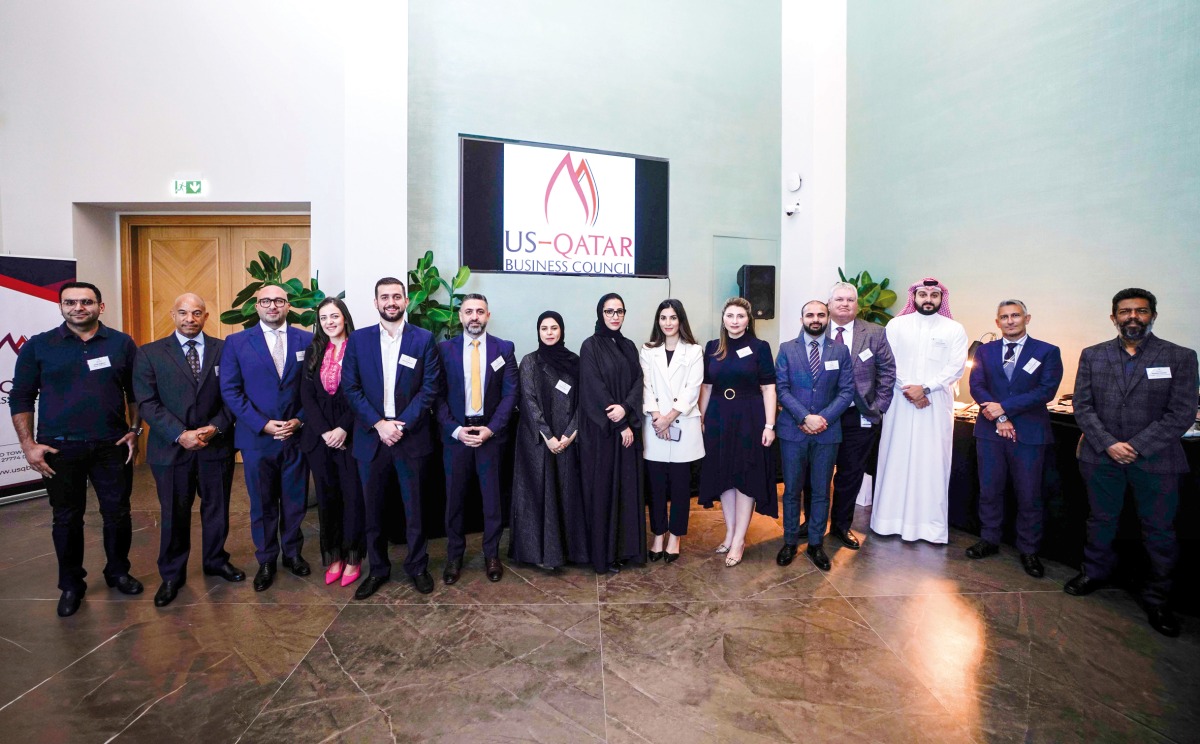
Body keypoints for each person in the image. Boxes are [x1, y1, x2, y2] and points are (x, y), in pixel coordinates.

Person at [1067, 288, 1198, 637]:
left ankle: (1158, 599)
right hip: (1100, 456)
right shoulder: (1092, 355)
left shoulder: (1180, 356)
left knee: (1159, 531)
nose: (1132, 317)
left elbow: (1182, 412)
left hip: (1157, 461)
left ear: (1153, 315)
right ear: (1113, 317)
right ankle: (1093, 573)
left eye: (1140, 311)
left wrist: (1136, 446)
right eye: (1125, 312)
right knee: (1101, 520)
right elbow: (1082, 405)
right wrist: (1109, 444)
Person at [10, 281, 144, 617]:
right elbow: (21, 398)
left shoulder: (121, 343)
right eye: (70, 302)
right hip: (59, 449)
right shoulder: (40, 346)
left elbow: (136, 393)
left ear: (101, 306)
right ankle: (71, 585)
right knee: (66, 518)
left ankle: (118, 572)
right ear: (61, 306)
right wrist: (28, 445)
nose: (78, 307)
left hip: (111, 446)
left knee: (117, 514)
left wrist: (134, 430)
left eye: (86, 301)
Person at [133, 293, 242, 608]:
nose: (189, 319)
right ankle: (171, 574)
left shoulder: (225, 350)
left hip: (215, 445)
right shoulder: (150, 353)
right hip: (171, 449)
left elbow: (233, 396)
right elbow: (147, 403)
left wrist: (214, 428)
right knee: (173, 512)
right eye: (183, 312)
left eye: (196, 313)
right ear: (172, 314)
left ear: (206, 316)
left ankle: (216, 560)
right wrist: (180, 434)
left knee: (216, 508)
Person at [342, 277, 443, 597]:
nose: (391, 302)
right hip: (371, 440)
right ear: (375, 303)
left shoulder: (424, 339)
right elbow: (351, 388)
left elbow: (430, 388)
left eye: (397, 296)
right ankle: (378, 569)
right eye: (384, 297)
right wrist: (379, 424)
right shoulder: (358, 341)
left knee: (415, 509)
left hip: (410, 439)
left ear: (406, 301)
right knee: (373, 510)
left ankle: (417, 566)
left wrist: (401, 425)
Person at [220, 283, 313, 592]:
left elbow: (312, 389)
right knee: (262, 502)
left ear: (288, 306)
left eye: (279, 301)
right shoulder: (235, 343)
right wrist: (262, 424)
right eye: (266, 301)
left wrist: (299, 419)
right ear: (255, 306)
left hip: (296, 436)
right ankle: (266, 559)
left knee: (294, 500)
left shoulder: (308, 340)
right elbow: (231, 391)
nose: (273, 306)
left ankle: (292, 553)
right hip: (256, 438)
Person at [966, 300, 1063, 578]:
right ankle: (989, 539)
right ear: (997, 322)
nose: (1010, 321)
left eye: (1015, 315)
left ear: (1026, 318)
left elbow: (1046, 391)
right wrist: (999, 417)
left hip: (1029, 434)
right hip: (990, 432)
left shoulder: (1046, 351)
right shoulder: (984, 351)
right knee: (990, 490)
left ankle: (1029, 550)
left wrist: (1005, 408)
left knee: (1029, 494)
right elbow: (977, 386)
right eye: (1004, 317)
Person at [870, 278, 968, 544]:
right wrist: (910, 389)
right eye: (923, 294)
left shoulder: (954, 329)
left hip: (935, 404)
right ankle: (887, 521)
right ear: (913, 297)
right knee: (895, 458)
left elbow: (956, 367)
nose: (928, 299)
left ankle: (929, 528)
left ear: (941, 299)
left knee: (931, 462)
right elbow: (887, 362)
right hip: (900, 402)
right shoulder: (896, 325)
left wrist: (925, 388)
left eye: (934, 295)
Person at [800, 281, 896, 549]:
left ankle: (841, 526)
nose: (844, 304)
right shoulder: (815, 329)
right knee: (815, 474)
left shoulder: (875, 333)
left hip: (858, 417)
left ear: (858, 305)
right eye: (839, 299)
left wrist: (878, 407)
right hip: (821, 418)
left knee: (849, 474)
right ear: (829, 305)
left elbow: (888, 371)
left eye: (850, 300)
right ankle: (811, 523)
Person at [435, 293, 518, 584]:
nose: (474, 317)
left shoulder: (503, 349)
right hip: (456, 435)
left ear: (488, 315)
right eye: (468, 311)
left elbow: (510, 395)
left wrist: (491, 429)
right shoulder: (443, 350)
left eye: (479, 311)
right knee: (454, 500)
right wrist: (455, 430)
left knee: (492, 500)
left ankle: (491, 554)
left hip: (490, 436)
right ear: (460, 316)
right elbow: (437, 396)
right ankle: (455, 556)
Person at [775, 301, 855, 571]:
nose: (816, 319)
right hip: (793, 431)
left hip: (827, 432)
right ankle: (788, 542)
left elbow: (846, 391)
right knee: (791, 491)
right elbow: (782, 388)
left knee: (822, 491)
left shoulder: (840, 350)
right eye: (810, 314)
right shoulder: (787, 349)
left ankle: (816, 545)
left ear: (828, 318)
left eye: (821, 314)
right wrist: (804, 417)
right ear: (802, 319)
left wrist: (823, 418)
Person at [698, 297, 778, 568]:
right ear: (723, 318)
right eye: (730, 316)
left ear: (748, 320)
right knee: (725, 478)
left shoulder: (760, 347)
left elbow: (769, 388)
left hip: (749, 417)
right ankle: (730, 533)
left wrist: (769, 425)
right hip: (718, 417)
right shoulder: (711, 348)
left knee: (744, 477)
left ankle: (740, 539)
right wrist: (701, 420)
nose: (735, 321)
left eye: (740, 316)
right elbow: (706, 387)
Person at [508, 311, 588, 570]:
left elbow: (584, 401)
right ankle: (539, 554)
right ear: (538, 332)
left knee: (566, 495)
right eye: (544, 328)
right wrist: (549, 436)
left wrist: (569, 433)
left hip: (568, 441)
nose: (550, 332)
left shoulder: (576, 362)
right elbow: (528, 402)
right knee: (538, 496)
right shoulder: (530, 362)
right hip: (538, 443)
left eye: (554, 327)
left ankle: (566, 553)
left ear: (562, 330)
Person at [300, 298, 365, 588]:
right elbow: (307, 397)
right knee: (327, 500)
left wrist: (342, 429)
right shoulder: (314, 350)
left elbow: (364, 394)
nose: (329, 322)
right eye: (324, 317)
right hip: (320, 439)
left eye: (334, 316)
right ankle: (334, 556)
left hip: (352, 438)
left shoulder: (360, 348)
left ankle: (353, 557)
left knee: (352, 499)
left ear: (345, 318)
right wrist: (325, 431)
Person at [579, 293, 645, 574]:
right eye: (609, 311)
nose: (615, 316)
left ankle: (626, 551)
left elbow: (639, 381)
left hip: (627, 429)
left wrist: (627, 408)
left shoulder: (629, 346)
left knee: (628, 490)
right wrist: (619, 422)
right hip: (603, 434)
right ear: (600, 313)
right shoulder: (589, 346)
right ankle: (604, 555)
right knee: (604, 491)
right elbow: (593, 387)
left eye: (619, 311)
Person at [639, 299, 704, 562]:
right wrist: (658, 417)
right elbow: (645, 386)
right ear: (658, 321)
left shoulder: (695, 351)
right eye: (663, 318)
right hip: (655, 426)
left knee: (679, 487)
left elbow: (693, 388)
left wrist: (670, 417)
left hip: (683, 424)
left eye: (673, 317)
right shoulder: (647, 350)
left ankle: (675, 537)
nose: (668, 323)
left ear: (681, 320)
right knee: (655, 487)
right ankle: (657, 534)